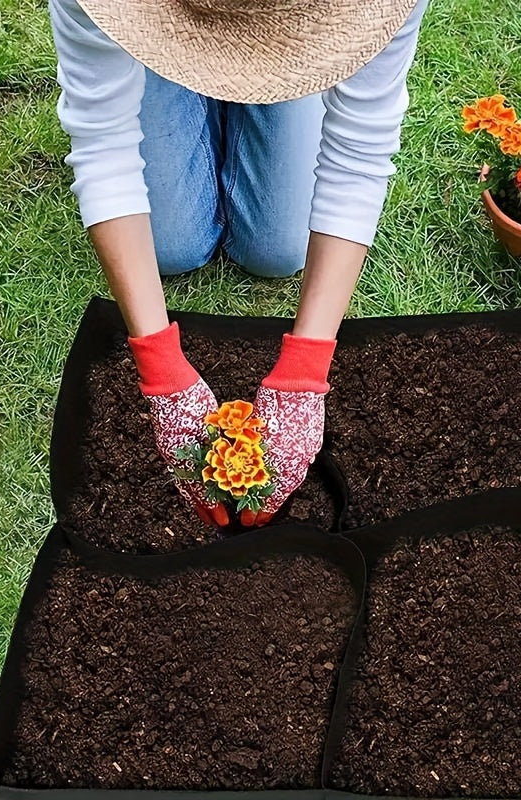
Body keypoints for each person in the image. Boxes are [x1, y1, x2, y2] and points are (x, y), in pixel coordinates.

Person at [47, 0, 429, 528]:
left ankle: (264, 85)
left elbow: (360, 152)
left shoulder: (380, 8)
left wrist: (305, 372)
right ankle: (176, 76)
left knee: (278, 249)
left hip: (291, 27)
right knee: (171, 247)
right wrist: (160, 369)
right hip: (158, 28)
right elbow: (102, 143)